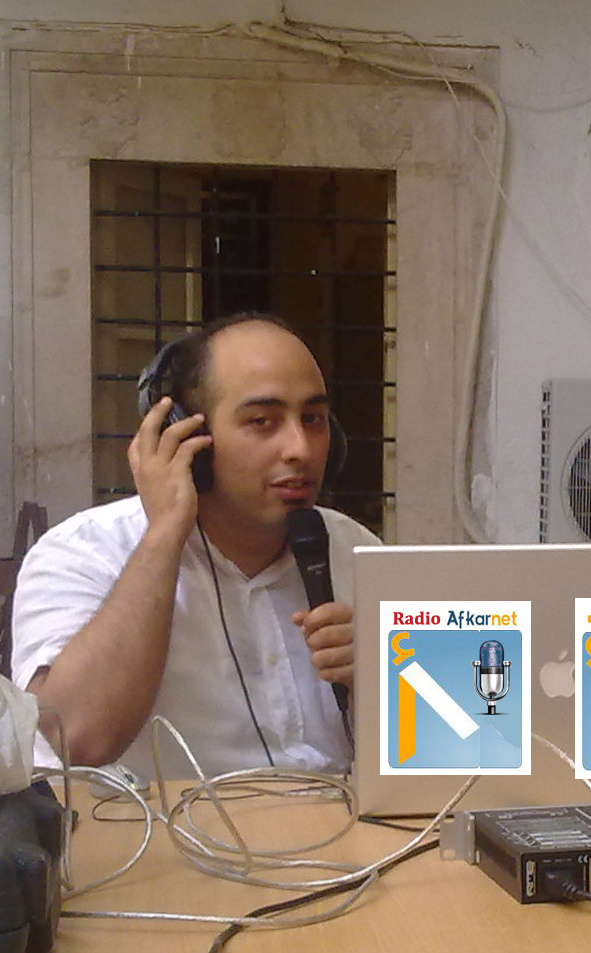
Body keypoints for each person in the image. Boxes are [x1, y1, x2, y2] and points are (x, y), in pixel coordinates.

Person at [12, 313, 375, 779]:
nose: (300, 449)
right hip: (166, 825)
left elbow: (450, 747)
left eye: (313, 419)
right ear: (186, 436)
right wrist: (165, 534)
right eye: (262, 422)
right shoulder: (81, 553)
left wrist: (387, 676)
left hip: (342, 821)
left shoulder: (359, 552)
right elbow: (76, 740)